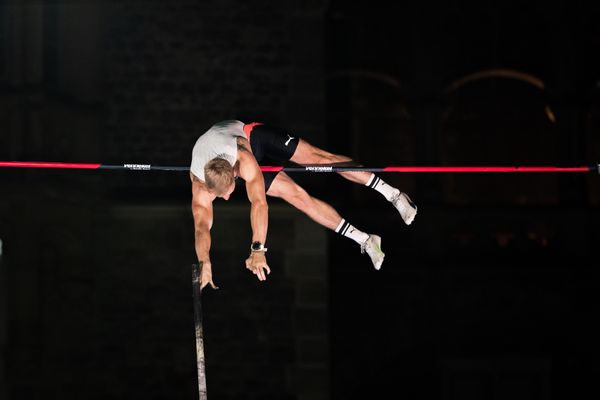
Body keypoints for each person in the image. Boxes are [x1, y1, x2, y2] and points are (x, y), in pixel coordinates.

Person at [190, 120, 417, 289]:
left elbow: (259, 203)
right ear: (208, 188)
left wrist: (257, 249)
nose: (228, 198)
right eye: (220, 196)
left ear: (234, 173)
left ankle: (394, 195)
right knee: (298, 197)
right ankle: (366, 240)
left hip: (253, 137)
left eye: (228, 192)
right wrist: (205, 261)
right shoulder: (199, 184)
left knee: (322, 160)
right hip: (224, 158)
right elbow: (201, 227)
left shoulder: (244, 160)